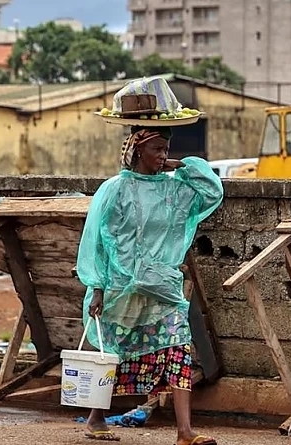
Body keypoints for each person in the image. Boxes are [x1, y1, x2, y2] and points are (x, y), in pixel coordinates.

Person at [76, 126, 223, 444]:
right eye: (156, 148)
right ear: (138, 150)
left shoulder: (175, 190)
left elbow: (213, 193)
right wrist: (97, 286)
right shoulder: (115, 190)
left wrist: (184, 166)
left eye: (166, 148)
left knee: (178, 348)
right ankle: (96, 416)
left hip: (162, 288)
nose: (162, 155)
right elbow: (96, 242)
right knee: (115, 353)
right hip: (122, 289)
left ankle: (185, 432)